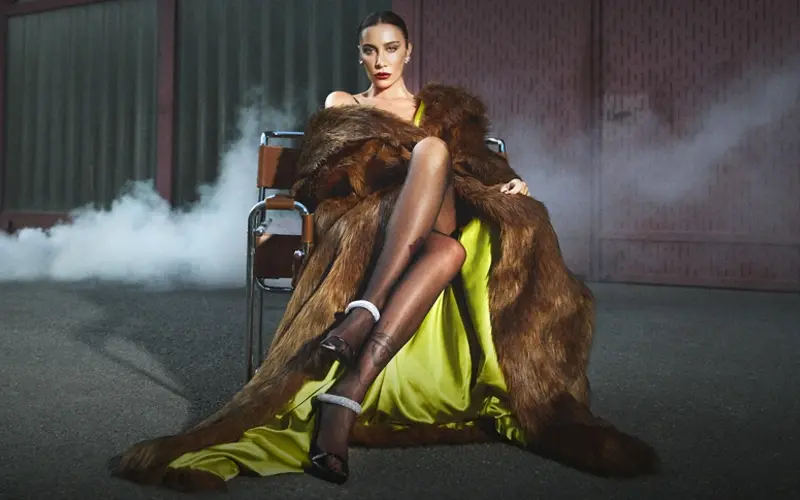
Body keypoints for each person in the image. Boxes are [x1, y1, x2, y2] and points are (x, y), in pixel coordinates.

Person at [113, 10, 657, 493]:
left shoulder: (436, 112)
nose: (380, 61)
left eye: (391, 49)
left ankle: (363, 312)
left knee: (436, 151)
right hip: (369, 217)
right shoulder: (345, 104)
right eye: (370, 50)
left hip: (440, 206)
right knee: (448, 255)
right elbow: (321, 178)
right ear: (359, 55)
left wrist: (506, 184)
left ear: (408, 52)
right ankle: (348, 394)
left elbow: (476, 167)